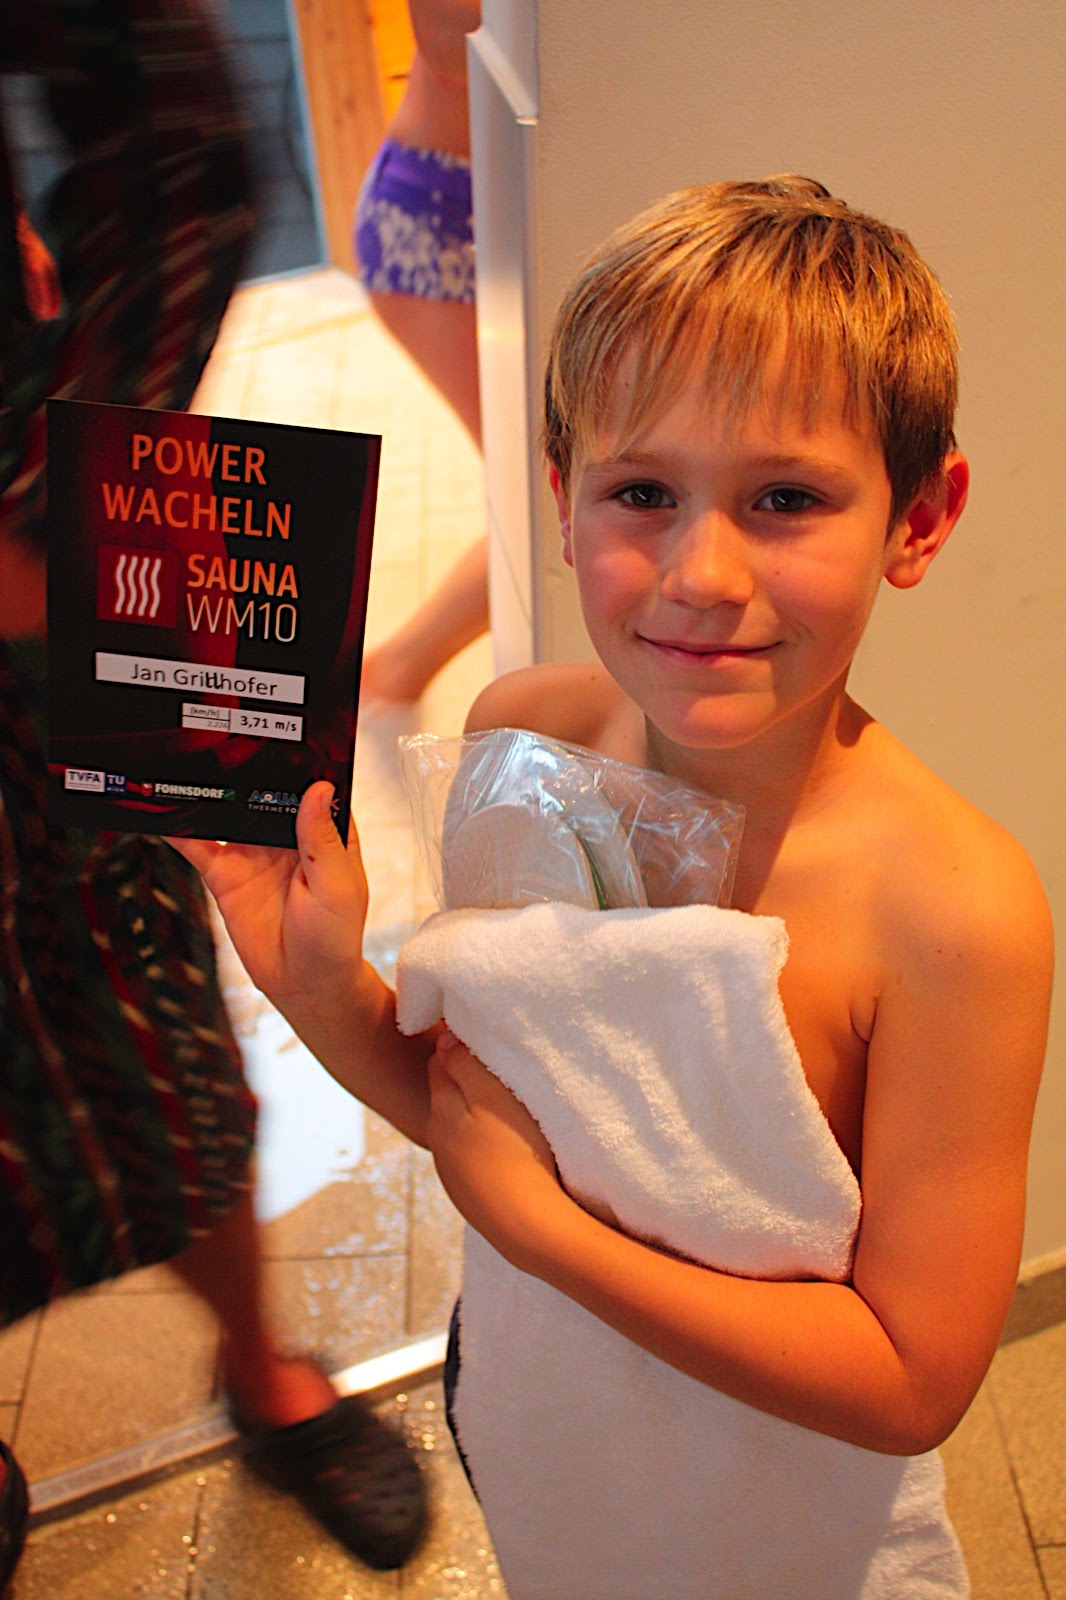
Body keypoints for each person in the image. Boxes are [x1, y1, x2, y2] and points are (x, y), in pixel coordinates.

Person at [173, 177, 1054, 1598]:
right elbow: (483, 1118)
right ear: (560, 496)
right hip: (555, 1457)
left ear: (918, 514)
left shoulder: (950, 914)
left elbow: (909, 1379)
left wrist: (544, 1237)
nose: (701, 572)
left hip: (789, 1538)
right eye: (643, 492)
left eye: (784, 498)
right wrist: (319, 984)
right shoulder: (524, 736)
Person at [0, 2, 425, 1585]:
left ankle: (262, 1367)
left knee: (135, 1010)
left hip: (31, 637)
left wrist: (56, 500)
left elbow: (172, 121)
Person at [354, 0, 488, 704]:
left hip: (490, 210)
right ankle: (394, 672)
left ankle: (398, 670)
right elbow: (449, 44)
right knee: (550, 488)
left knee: (554, 483)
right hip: (434, 224)